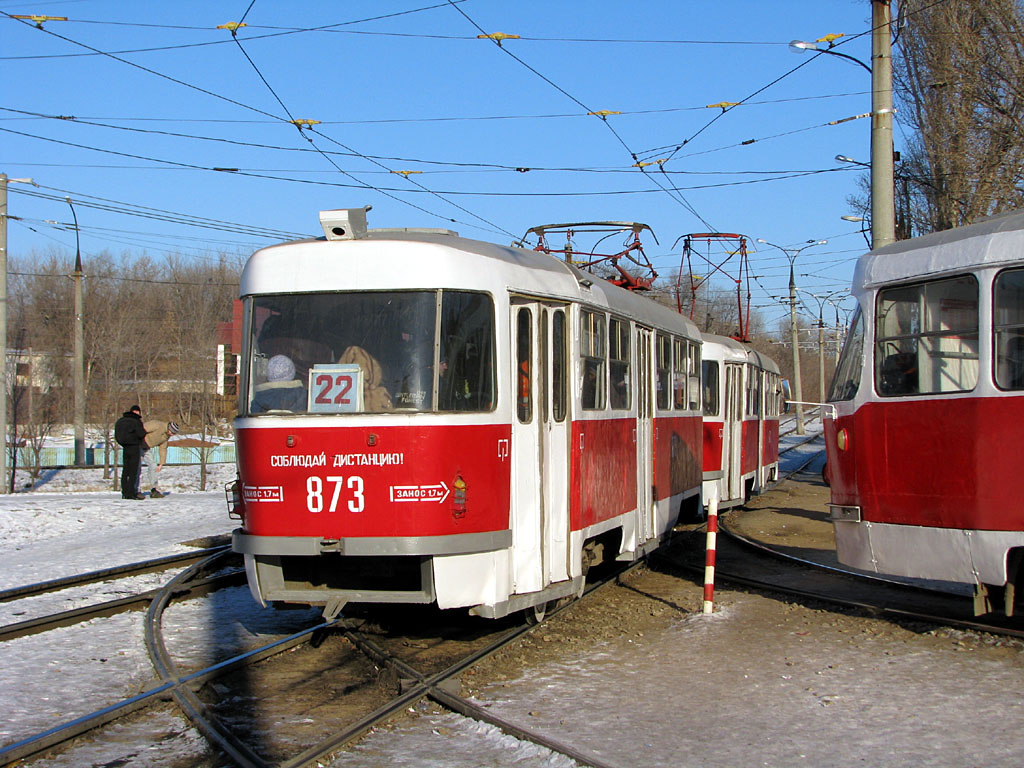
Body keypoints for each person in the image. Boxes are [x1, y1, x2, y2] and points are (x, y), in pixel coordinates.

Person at [113, 404, 147, 500]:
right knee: (133, 471)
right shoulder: (136, 421)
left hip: (125, 447)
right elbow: (141, 434)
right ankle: (131, 493)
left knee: (125, 470)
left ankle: (124, 492)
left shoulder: (120, 421)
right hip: (134, 447)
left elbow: (117, 434)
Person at [140, 419, 180, 499]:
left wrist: (161, 463)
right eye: (172, 432)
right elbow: (141, 429)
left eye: (173, 434)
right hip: (137, 444)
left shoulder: (166, 436)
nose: (171, 434)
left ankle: (154, 489)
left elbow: (163, 449)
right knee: (136, 467)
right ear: (169, 428)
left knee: (153, 466)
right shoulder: (157, 425)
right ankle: (133, 489)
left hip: (145, 449)